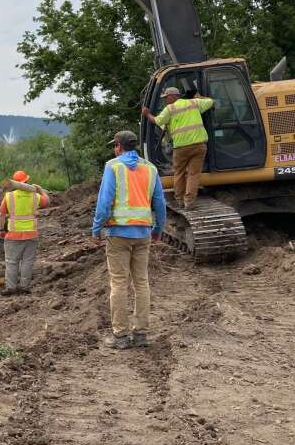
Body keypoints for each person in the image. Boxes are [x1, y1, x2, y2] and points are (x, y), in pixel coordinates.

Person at [92, 131, 166, 349]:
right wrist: (158, 229)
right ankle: (141, 334)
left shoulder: (113, 166)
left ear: (118, 146)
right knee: (141, 282)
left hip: (118, 235)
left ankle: (121, 336)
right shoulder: (151, 169)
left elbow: (104, 202)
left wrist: (96, 228)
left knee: (119, 283)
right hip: (143, 234)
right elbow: (160, 203)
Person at [141, 86, 214, 210]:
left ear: (174, 96)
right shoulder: (193, 103)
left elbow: (158, 121)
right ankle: (189, 202)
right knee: (193, 174)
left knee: (179, 174)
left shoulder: (169, 109)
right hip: (199, 146)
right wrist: (199, 96)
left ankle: (180, 201)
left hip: (181, 148)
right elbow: (211, 102)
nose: (165, 100)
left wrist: (147, 114)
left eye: (166, 97)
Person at [0, 170, 50, 296]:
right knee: (27, 261)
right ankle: (24, 287)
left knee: (11, 262)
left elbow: (1, 214)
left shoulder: (9, 196)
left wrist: (1, 230)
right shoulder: (35, 196)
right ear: (26, 181)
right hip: (31, 234)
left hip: (13, 235)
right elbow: (47, 201)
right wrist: (40, 190)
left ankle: (11, 288)